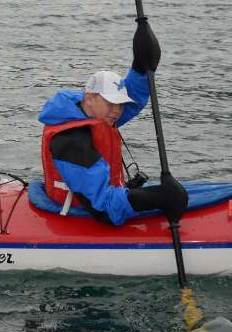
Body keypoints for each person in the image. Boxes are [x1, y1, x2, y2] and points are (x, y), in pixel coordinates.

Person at [37, 19, 187, 225]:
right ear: (90, 98)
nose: (117, 110)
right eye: (111, 103)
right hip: (79, 214)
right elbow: (104, 209)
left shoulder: (91, 112)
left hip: (99, 200)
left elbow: (133, 99)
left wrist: (141, 66)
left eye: (120, 103)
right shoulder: (71, 141)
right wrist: (157, 197)